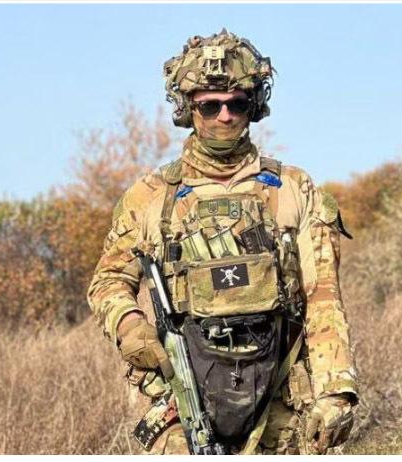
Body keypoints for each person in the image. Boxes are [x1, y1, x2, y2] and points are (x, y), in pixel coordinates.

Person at [87, 29, 359, 455]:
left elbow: (323, 297)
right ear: (187, 108)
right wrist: (129, 327)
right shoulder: (151, 197)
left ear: (255, 105)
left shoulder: (294, 189)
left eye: (237, 103)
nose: (225, 116)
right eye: (210, 105)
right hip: (184, 399)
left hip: (282, 399)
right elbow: (107, 283)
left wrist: (335, 390)